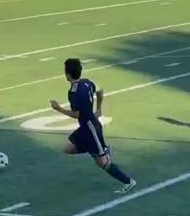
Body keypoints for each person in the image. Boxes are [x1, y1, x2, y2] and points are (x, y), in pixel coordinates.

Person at [50, 58, 137, 193]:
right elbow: (100, 91)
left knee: (102, 163)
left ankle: (128, 181)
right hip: (86, 128)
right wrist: (99, 108)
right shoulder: (87, 82)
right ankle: (100, 149)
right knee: (67, 149)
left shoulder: (74, 92)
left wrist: (58, 109)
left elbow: (76, 114)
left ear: (67, 75)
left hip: (91, 129)